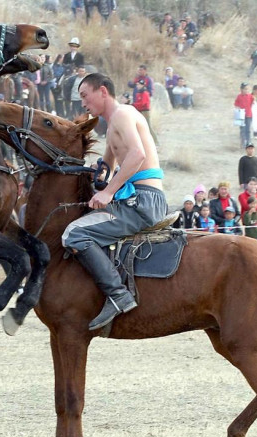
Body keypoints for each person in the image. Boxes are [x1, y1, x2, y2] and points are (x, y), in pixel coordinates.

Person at [61, 73, 167, 330]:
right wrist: (94, 175)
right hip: (139, 199)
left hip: (142, 201)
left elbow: (137, 155)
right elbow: (108, 166)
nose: (83, 104)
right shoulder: (113, 126)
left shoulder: (122, 114)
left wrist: (108, 192)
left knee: (73, 234)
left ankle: (118, 295)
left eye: (85, 96)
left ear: (103, 91)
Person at [131, 79, 158, 146]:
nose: (137, 86)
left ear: (142, 85)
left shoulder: (145, 93)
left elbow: (143, 104)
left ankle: (156, 142)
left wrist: (134, 105)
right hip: (139, 111)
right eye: (137, 84)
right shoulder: (138, 93)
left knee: (148, 127)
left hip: (145, 111)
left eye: (139, 84)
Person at [234, 83, 253, 149]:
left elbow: (252, 103)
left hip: (248, 115)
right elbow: (236, 104)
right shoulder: (239, 96)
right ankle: (242, 143)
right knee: (242, 130)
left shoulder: (250, 96)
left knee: (248, 130)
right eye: (245, 89)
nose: (246, 90)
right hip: (241, 116)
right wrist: (239, 109)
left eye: (247, 89)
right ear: (241, 89)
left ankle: (248, 142)